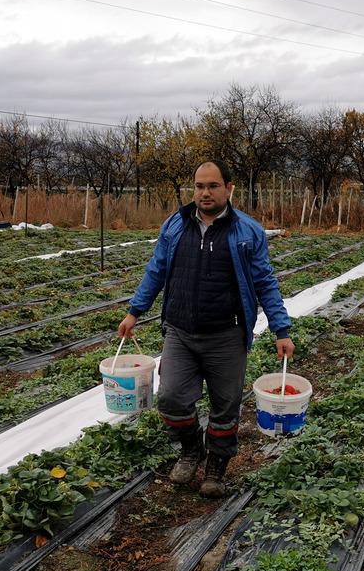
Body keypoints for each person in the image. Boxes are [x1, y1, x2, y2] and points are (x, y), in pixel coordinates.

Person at [117, 160, 294, 498]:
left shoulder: (247, 231)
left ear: (229, 188)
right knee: (169, 399)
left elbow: (265, 282)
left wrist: (280, 329)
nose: (205, 193)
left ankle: (216, 466)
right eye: (199, 186)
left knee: (225, 407)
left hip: (227, 334)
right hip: (180, 332)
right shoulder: (175, 226)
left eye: (213, 186)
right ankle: (191, 449)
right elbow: (156, 270)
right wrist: (134, 312)